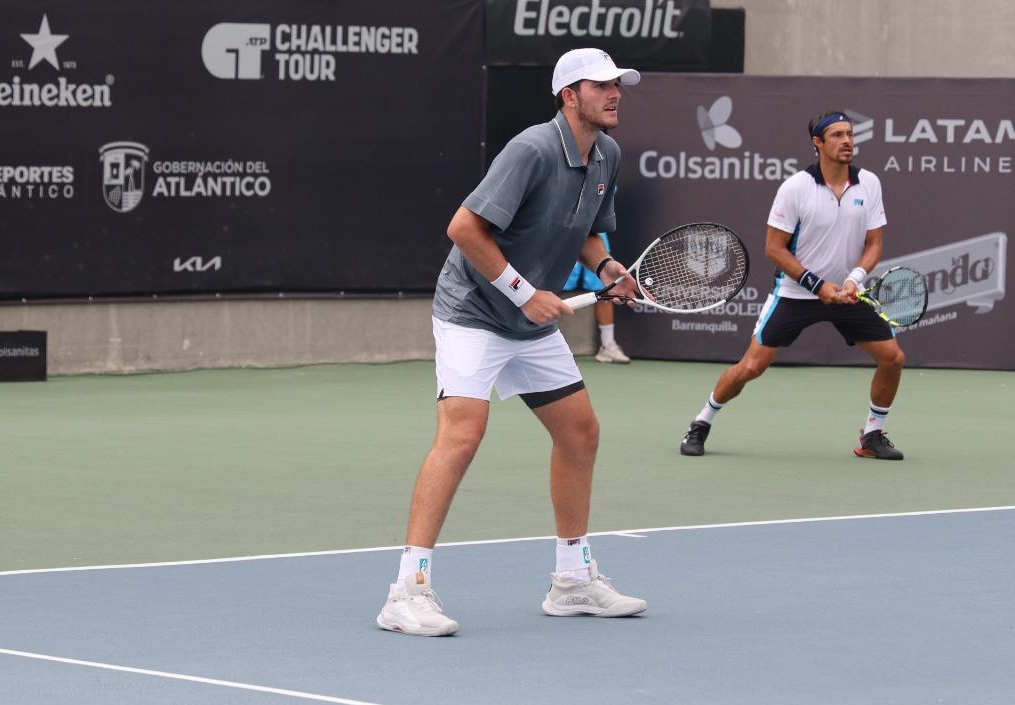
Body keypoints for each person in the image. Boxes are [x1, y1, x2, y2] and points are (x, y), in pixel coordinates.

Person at [376, 48, 648, 637]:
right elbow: (463, 228)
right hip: (472, 311)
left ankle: (573, 581)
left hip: (527, 323)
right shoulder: (531, 148)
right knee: (463, 434)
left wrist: (606, 270)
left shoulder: (608, 155)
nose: (614, 93)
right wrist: (523, 291)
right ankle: (407, 590)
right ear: (568, 96)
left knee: (579, 432)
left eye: (616, 84)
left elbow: (589, 236)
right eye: (600, 86)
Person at [679, 110, 907, 461]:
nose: (847, 141)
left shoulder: (870, 183)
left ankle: (872, 436)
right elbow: (774, 248)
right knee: (751, 367)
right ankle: (701, 422)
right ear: (818, 143)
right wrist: (817, 285)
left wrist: (853, 279)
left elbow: (874, 243)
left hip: (848, 293)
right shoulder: (795, 188)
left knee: (892, 358)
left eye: (850, 134)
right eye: (837, 135)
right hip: (796, 293)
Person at [561, 228, 631, 364]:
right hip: (557, 230)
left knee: (604, 288)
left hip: (593, 232)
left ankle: (608, 345)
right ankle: (534, 342)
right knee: (547, 285)